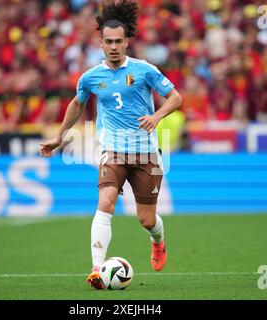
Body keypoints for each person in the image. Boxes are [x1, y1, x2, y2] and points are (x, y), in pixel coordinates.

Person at [39, 0, 182, 289]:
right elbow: (77, 104)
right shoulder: (91, 77)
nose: (114, 46)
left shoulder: (145, 70)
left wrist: (157, 116)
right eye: (108, 42)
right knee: (105, 203)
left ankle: (158, 242)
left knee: (146, 220)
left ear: (127, 42)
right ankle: (95, 269)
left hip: (146, 154)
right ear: (100, 43)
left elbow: (176, 98)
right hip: (112, 152)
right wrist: (60, 136)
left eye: (119, 41)